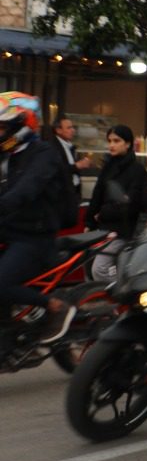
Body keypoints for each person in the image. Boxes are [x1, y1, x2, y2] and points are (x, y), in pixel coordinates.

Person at [0, 93, 75, 340]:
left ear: (21, 127)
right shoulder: (9, 157)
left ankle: (54, 305)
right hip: (9, 231)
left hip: (34, 237)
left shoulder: (45, 154)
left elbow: (27, 189)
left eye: (2, 127)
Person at [85, 124, 145, 282]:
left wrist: (102, 213)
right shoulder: (108, 166)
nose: (111, 145)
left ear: (128, 143)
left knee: (100, 269)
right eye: (110, 141)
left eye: (116, 141)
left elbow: (131, 204)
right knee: (88, 266)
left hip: (121, 230)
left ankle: (122, 292)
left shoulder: (136, 170)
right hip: (102, 228)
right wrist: (90, 221)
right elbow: (97, 195)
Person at [51, 112, 91, 226]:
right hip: (61, 197)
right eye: (69, 128)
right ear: (58, 130)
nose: (73, 130)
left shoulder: (70, 146)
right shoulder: (53, 147)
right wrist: (77, 166)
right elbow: (57, 169)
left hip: (73, 194)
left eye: (73, 127)